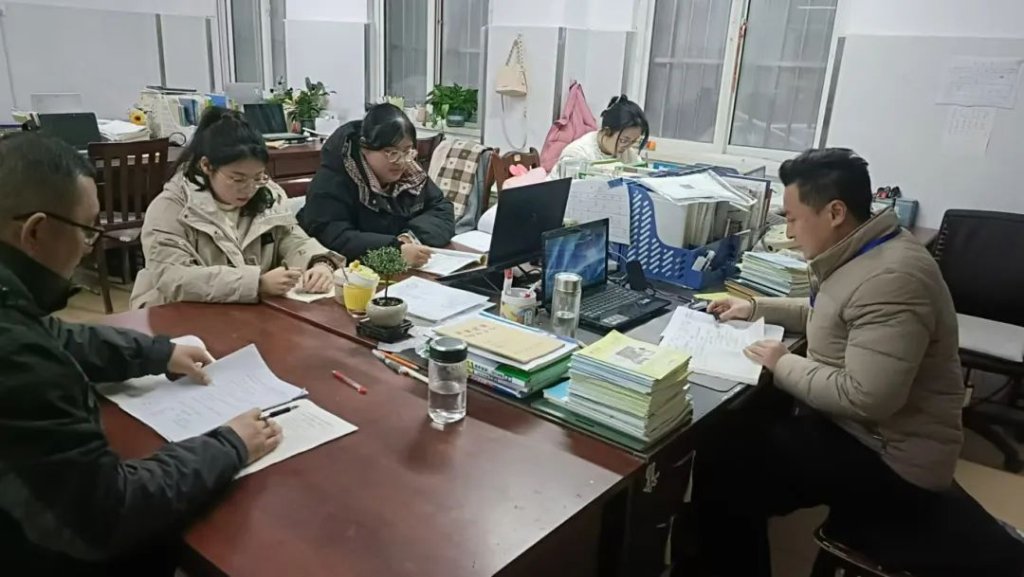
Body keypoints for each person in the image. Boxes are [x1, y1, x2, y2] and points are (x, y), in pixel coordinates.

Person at [692, 148, 1023, 577]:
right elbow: (832, 314)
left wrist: (783, 362)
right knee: (736, 431)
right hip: (865, 434)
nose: (788, 233)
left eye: (793, 219)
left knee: (729, 468)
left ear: (834, 212)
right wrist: (756, 307)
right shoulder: (868, 251)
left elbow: (866, 397)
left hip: (892, 460)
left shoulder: (892, 278)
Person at [0, 133, 283, 576]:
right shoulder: (20, 360)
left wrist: (157, 352)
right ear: (35, 231)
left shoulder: (14, 312)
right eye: (87, 230)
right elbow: (108, 513)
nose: (90, 247)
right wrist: (228, 444)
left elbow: (55, 336)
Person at [130, 108, 342, 308]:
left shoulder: (266, 193)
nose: (249, 189)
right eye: (237, 179)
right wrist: (256, 284)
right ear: (206, 166)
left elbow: (289, 237)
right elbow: (173, 277)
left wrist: (320, 263)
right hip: (174, 311)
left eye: (257, 177)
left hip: (245, 309)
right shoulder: (171, 208)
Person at [297, 103, 455, 267]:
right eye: (391, 152)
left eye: (407, 151)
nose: (401, 161)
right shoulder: (333, 179)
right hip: (341, 272)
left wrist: (409, 238)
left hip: (398, 270)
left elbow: (442, 209)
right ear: (364, 147)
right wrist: (393, 251)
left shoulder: (410, 173)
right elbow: (332, 237)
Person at [550, 94, 649, 177]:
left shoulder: (628, 154)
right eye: (624, 140)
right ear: (606, 131)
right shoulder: (577, 154)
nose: (627, 147)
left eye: (633, 141)